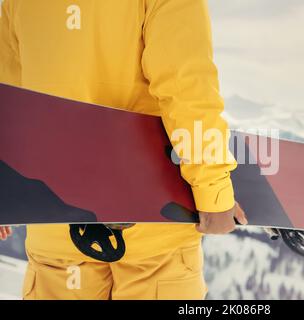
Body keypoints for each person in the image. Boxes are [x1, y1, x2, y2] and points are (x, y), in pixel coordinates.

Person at [0, 0, 246, 299]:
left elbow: (10, 100)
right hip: (152, 226)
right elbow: (186, 90)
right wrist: (213, 191)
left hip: (57, 225)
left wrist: (6, 191)